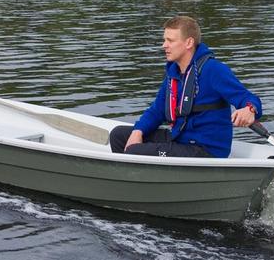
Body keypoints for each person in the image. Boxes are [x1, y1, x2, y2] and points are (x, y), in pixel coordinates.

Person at [109, 15, 260, 158]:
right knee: (118, 135)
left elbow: (248, 98)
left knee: (135, 151)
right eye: (164, 40)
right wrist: (138, 131)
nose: (164, 45)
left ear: (188, 43)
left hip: (204, 149)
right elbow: (156, 111)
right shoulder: (173, 73)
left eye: (170, 40)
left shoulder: (213, 70)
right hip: (180, 139)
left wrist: (249, 109)